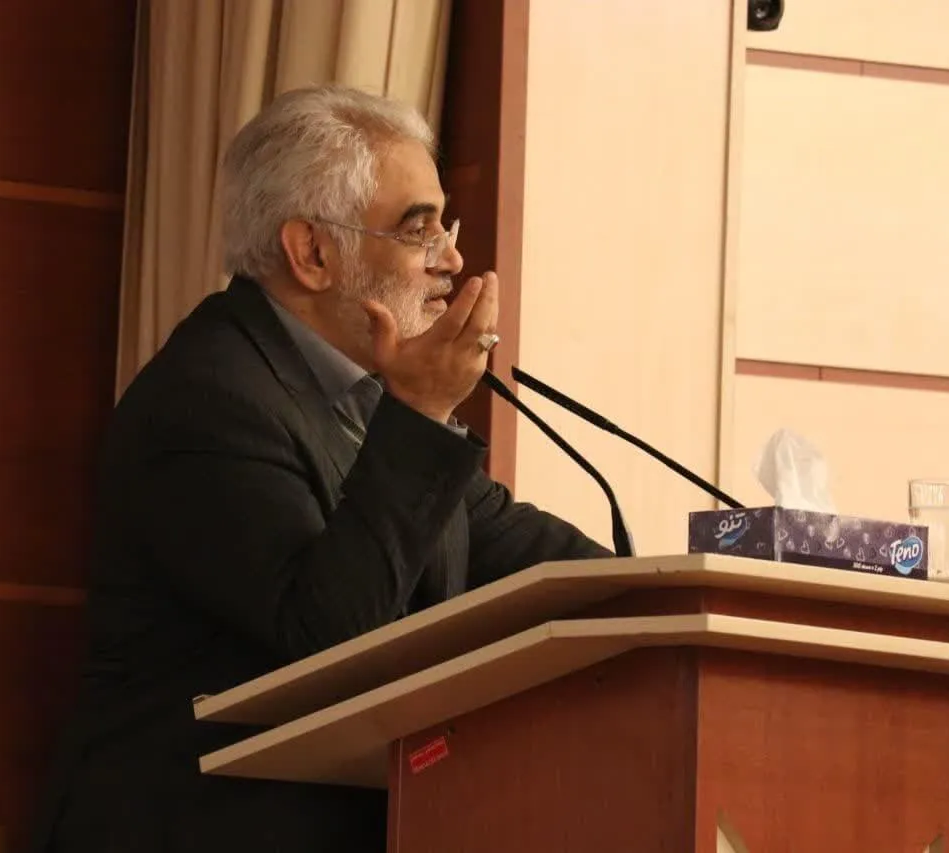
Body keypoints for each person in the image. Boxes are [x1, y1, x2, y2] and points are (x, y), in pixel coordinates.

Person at [33, 85, 611, 853]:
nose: (452, 260)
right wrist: (420, 411)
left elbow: (514, 547)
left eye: (446, 227)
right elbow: (332, 647)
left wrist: (675, 593)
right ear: (312, 252)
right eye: (419, 229)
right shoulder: (207, 401)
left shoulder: (362, 392)